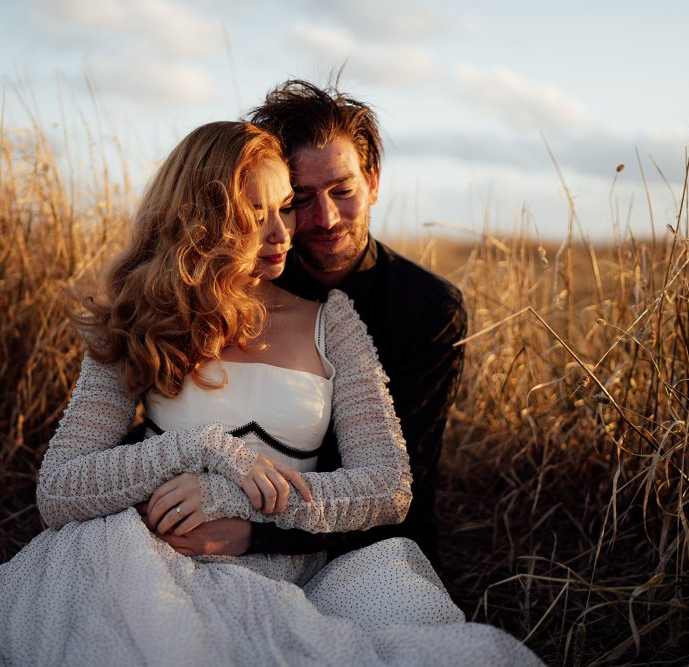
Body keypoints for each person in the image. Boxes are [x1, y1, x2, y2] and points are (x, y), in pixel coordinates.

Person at [0, 121, 539, 666]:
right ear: (205, 216)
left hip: (299, 565)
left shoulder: (332, 321)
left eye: (289, 205)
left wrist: (239, 500)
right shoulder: (134, 319)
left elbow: (389, 486)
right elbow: (58, 489)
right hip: (148, 561)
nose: (289, 231)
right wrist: (194, 449)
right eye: (262, 211)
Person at [151, 81, 467, 568]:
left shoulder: (427, 307)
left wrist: (253, 534)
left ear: (374, 183)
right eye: (299, 198)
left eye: (343, 191)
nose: (324, 218)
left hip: (351, 548)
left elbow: (402, 488)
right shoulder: (244, 276)